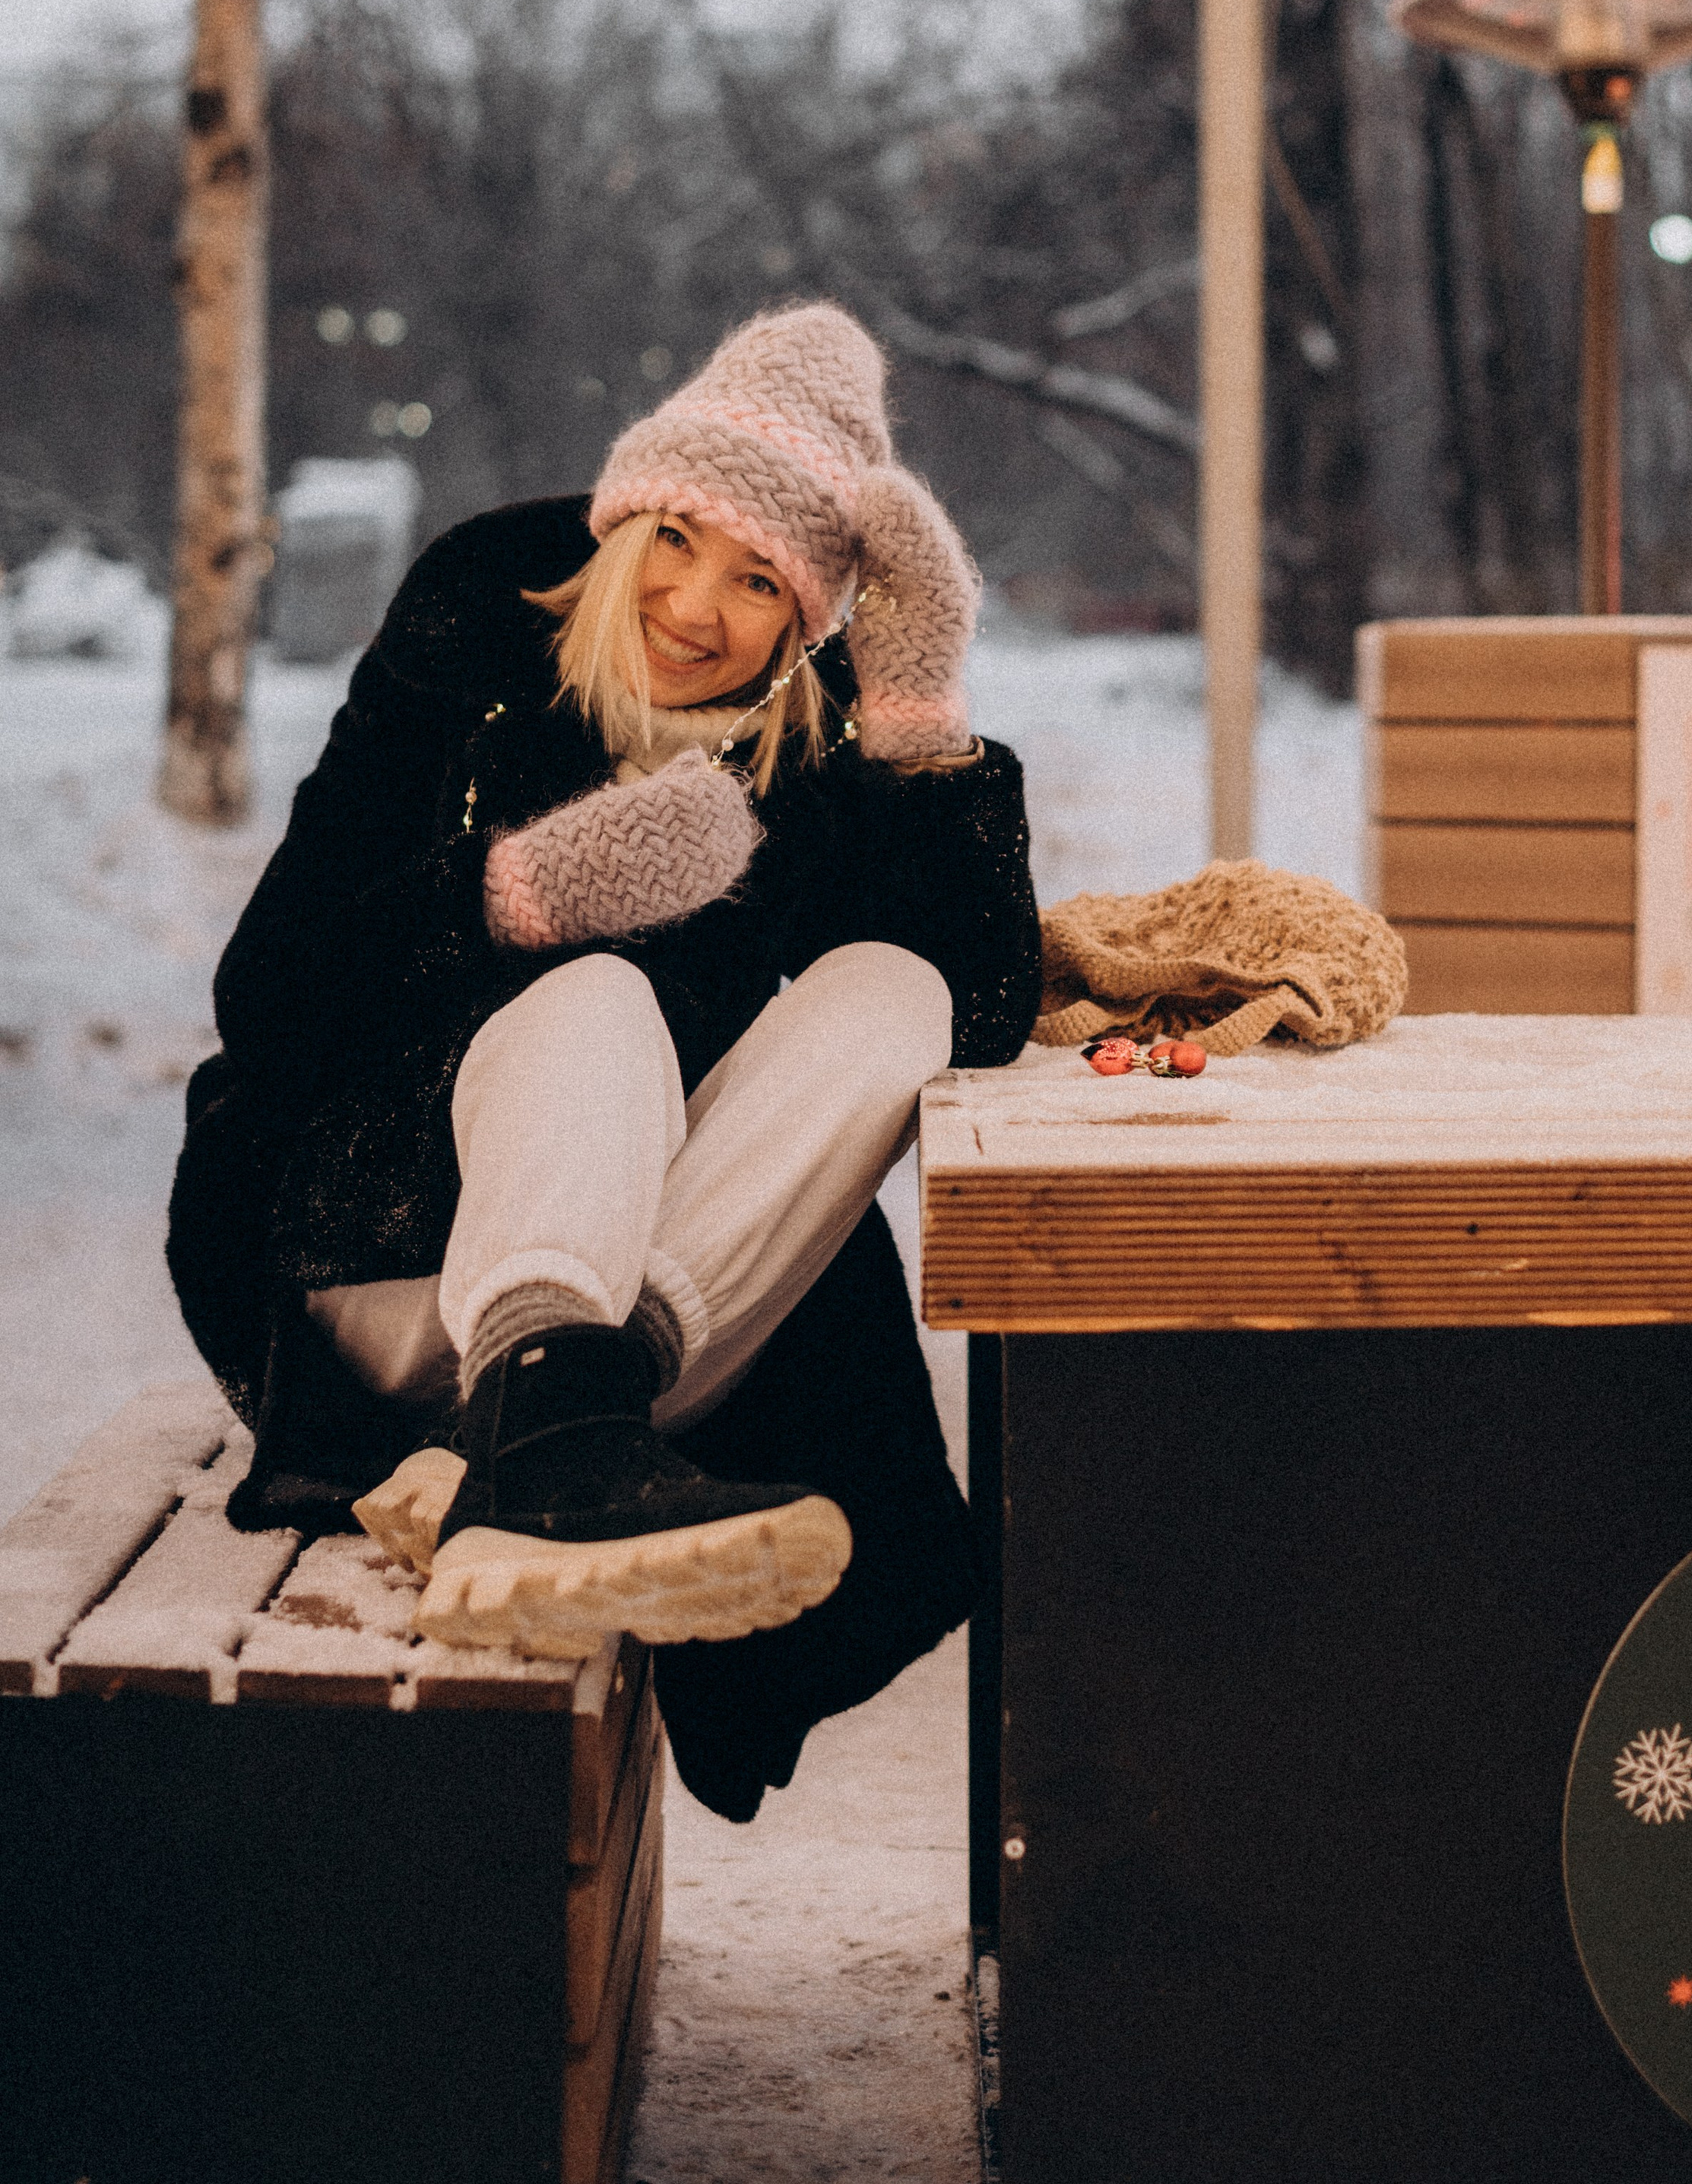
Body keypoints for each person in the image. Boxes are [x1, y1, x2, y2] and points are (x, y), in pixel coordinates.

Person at [166, 303, 1042, 1816]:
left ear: (809, 618)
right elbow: (273, 992)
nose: (699, 607)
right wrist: (517, 900)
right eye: (679, 542)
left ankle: (549, 1427)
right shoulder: (480, 618)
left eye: (761, 580)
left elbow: (976, 1001)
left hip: (661, 1326)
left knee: (888, 986)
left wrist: (917, 723)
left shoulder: (810, 735)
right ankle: (537, 1399)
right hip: (376, 1270)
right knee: (599, 998)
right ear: (628, 516)